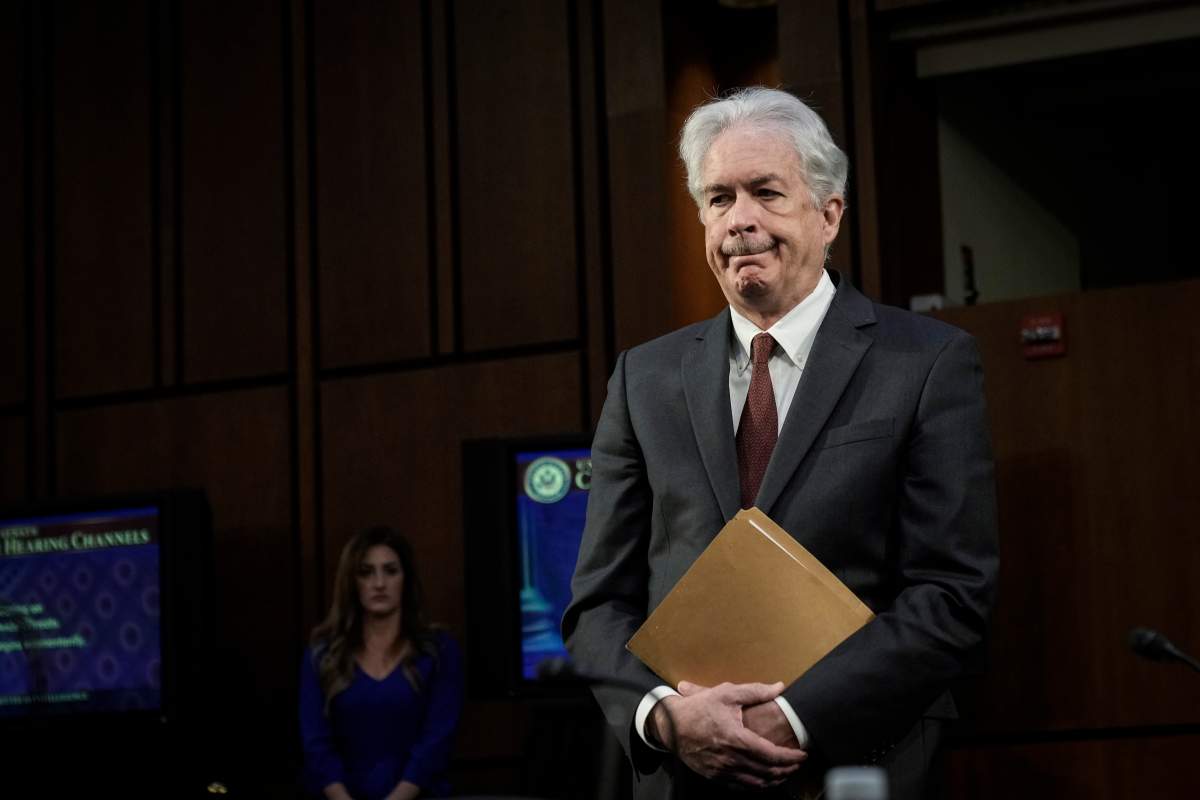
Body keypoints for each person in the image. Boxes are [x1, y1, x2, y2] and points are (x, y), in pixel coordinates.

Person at [562, 87, 998, 799]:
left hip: (859, 763)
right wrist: (665, 717)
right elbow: (597, 606)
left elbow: (952, 594)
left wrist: (794, 717)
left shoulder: (926, 363)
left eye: (765, 192)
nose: (740, 219)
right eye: (719, 198)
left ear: (829, 215)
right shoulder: (643, 379)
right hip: (685, 776)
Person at [300, 526, 463, 800]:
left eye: (390, 571)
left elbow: (436, 741)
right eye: (366, 572)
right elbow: (316, 744)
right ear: (352, 582)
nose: (379, 583)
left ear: (405, 578)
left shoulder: (438, 651)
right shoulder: (323, 654)